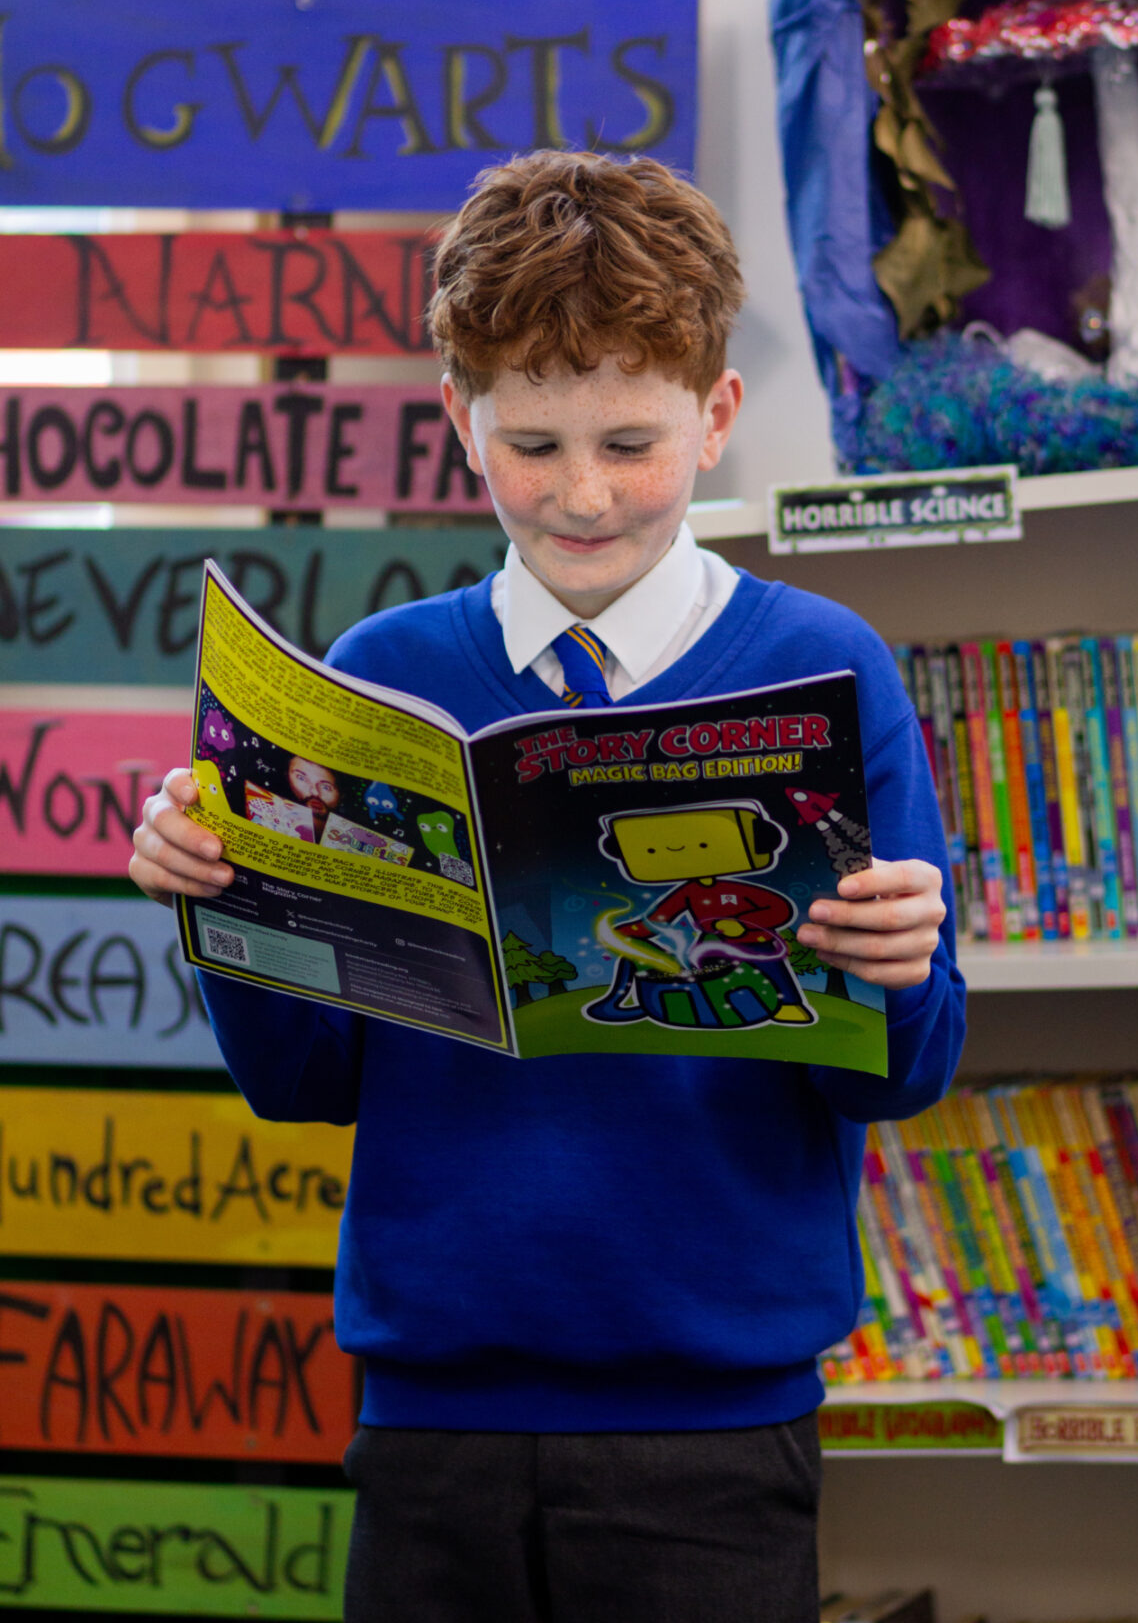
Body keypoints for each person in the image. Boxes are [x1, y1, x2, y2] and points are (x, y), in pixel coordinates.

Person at [130, 151, 965, 1623]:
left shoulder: (829, 665)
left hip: (718, 1417)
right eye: (533, 445)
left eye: (631, 442)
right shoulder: (381, 679)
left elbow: (899, 1082)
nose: (583, 497)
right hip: (432, 1411)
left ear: (716, 419)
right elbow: (306, 1083)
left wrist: (900, 968)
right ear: (460, 422)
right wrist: (224, 905)